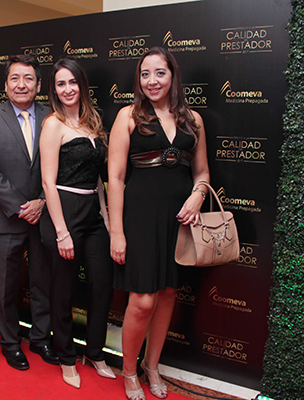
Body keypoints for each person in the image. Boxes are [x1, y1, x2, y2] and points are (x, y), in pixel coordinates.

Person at [108, 47, 211, 400]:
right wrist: (117, 233)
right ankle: (129, 370)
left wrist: (198, 196)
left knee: (168, 295)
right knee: (142, 301)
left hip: (179, 219)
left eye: (159, 73)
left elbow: (202, 173)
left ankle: (152, 366)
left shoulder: (193, 120)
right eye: (145, 74)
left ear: (172, 76)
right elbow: (115, 178)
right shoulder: (128, 116)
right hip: (139, 219)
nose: (152, 81)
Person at [0, 54, 58, 370]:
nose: (21, 84)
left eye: (28, 78)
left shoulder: (52, 117)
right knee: (7, 286)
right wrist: (22, 207)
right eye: (15, 78)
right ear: (6, 84)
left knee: (43, 283)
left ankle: (40, 338)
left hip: (45, 216)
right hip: (6, 217)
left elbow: (62, 166)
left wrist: (42, 201)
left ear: (38, 84)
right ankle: (10, 343)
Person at [40, 58, 115, 388]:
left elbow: (98, 179)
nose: (67, 89)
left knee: (102, 284)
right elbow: (47, 182)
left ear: (82, 85)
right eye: (61, 84)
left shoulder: (93, 122)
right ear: (54, 89)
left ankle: (95, 352)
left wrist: (107, 219)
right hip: (64, 210)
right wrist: (62, 232)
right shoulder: (53, 124)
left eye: (72, 82)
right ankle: (66, 356)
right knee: (63, 289)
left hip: (92, 210)